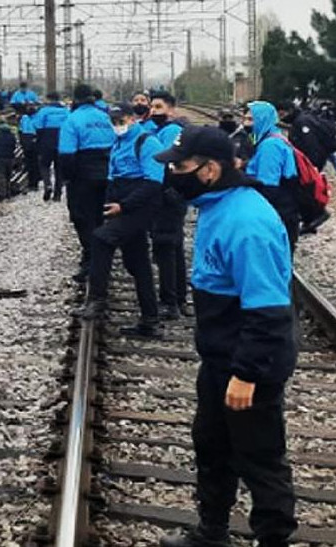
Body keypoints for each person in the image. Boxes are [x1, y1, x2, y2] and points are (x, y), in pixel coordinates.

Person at [153, 126, 297, 547]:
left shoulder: (247, 222)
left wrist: (247, 374)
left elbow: (268, 310)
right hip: (220, 358)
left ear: (209, 169)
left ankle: (273, 540)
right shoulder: (216, 205)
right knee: (212, 447)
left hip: (249, 363)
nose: (173, 174)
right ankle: (212, 533)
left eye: (179, 167)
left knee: (259, 459)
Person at [73, 104, 164, 338]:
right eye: (113, 121)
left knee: (101, 239)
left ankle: (97, 299)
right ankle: (150, 321)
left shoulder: (147, 142)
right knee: (138, 264)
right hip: (121, 199)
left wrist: (124, 206)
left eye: (121, 120)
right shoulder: (118, 143)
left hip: (140, 205)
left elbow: (154, 182)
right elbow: (113, 175)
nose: (117, 125)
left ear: (133, 118)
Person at [59, 84, 115, 283]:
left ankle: (92, 260)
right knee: (100, 217)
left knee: (82, 217)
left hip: (83, 176)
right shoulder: (104, 117)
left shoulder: (72, 120)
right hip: (107, 173)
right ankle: (100, 256)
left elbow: (67, 155)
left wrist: (68, 178)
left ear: (75, 99)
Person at [149, 91, 190, 319]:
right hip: (171, 194)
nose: (154, 111)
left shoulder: (171, 131)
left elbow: (163, 163)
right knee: (172, 246)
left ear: (171, 110)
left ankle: (170, 301)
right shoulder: (163, 130)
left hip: (168, 195)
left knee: (166, 246)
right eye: (153, 107)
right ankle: (179, 298)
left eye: (159, 107)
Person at [244, 101, 301, 252]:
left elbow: (268, 187)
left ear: (263, 119)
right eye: (245, 118)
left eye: (250, 119)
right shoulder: (270, 138)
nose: (245, 123)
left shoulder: (270, 146)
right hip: (283, 210)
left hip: (280, 213)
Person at [33, 92, 69, 201]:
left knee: (44, 165)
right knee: (59, 168)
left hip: (46, 140)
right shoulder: (66, 111)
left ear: (48, 99)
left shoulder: (43, 111)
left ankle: (47, 184)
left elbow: (37, 125)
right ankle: (57, 194)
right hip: (62, 141)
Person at [19, 105, 41, 192]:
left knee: (32, 163)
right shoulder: (27, 118)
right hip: (30, 139)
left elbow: (20, 130)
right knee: (32, 163)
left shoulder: (25, 118)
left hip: (29, 139)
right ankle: (33, 182)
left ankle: (33, 183)